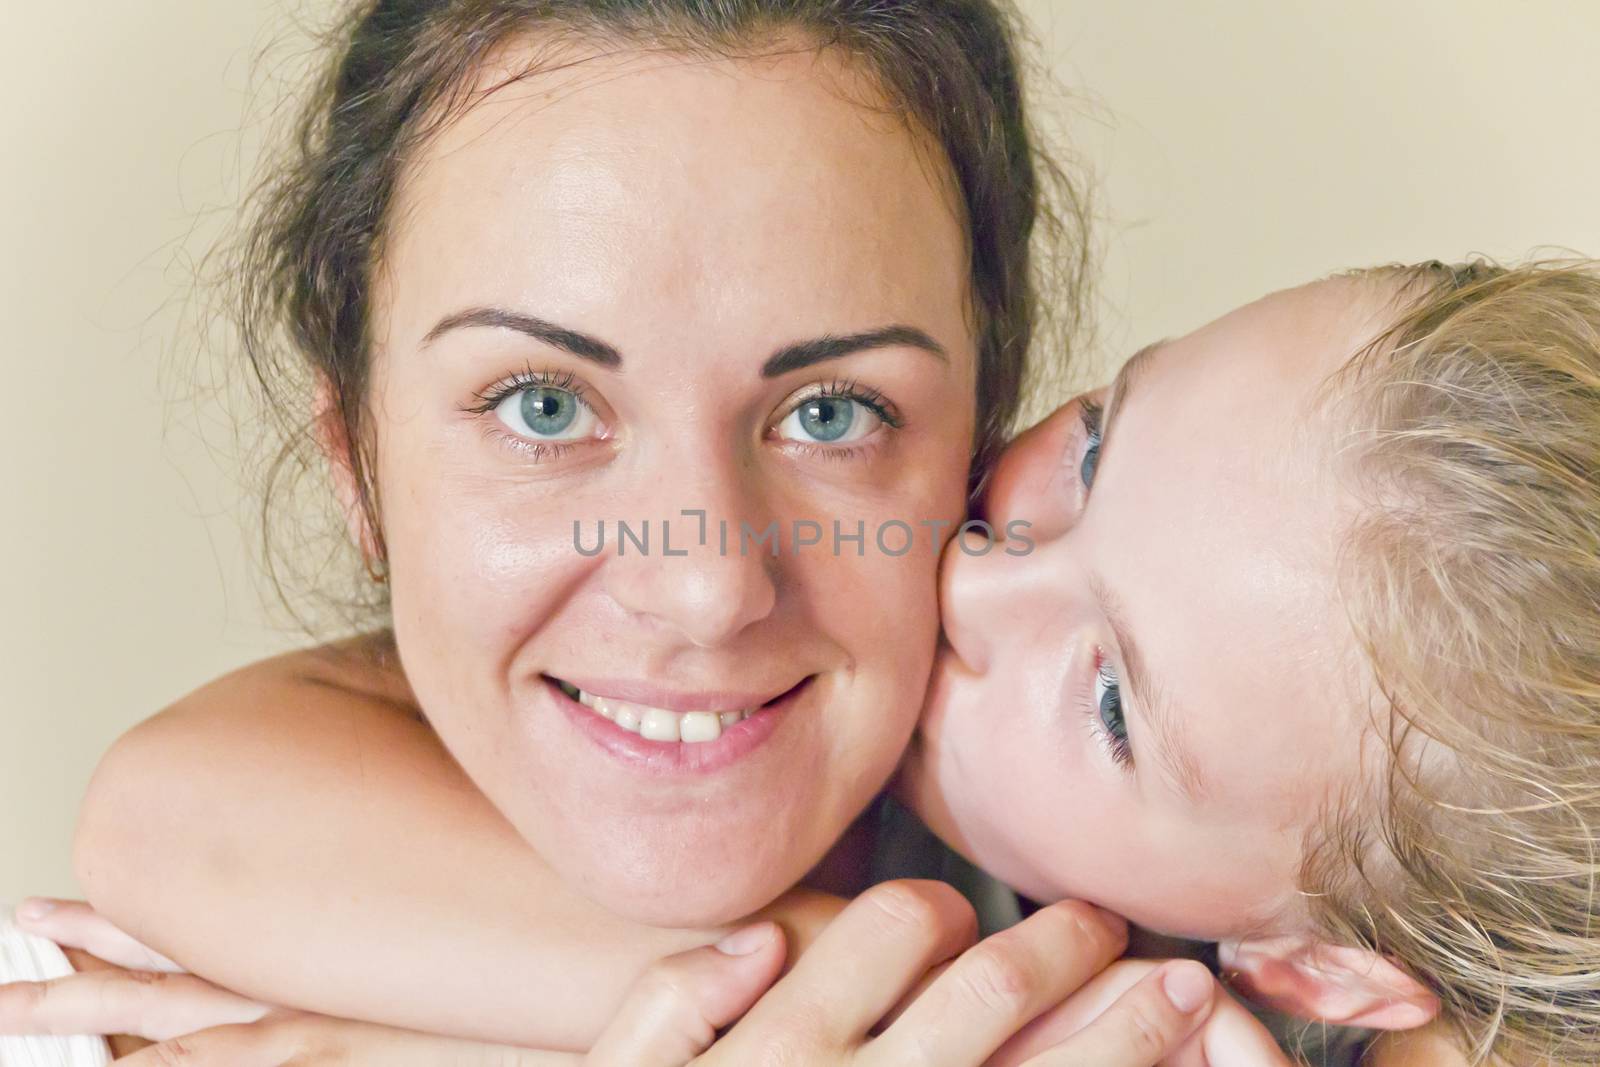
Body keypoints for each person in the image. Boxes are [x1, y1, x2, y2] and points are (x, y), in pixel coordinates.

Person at [18, 259, 1600, 1067]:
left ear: (1326, 966)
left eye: (1112, 700)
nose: (981, 572)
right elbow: (172, 816)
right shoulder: (821, 700)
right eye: (1098, 448)